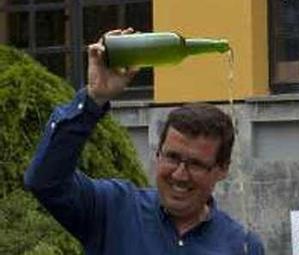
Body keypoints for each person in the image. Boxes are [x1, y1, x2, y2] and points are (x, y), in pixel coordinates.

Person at [24, 30, 264, 254]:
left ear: (222, 169)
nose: (180, 175)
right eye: (172, 157)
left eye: (196, 164)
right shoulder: (112, 209)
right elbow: (45, 181)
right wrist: (93, 98)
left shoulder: (241, 246)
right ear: (157, 154)